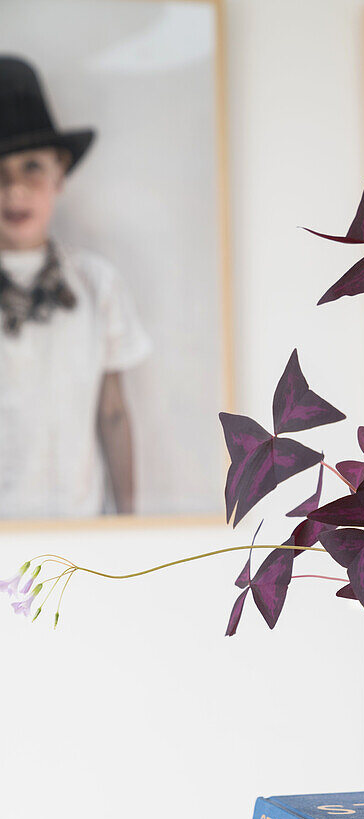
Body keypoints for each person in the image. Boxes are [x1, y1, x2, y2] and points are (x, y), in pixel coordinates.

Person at [0, 55, 150, 519]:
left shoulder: (95, 283)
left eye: (32, 169)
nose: (15, 191)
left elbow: (113, 413)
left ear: (60, 174)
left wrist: (128, 523)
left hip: (77, 526)